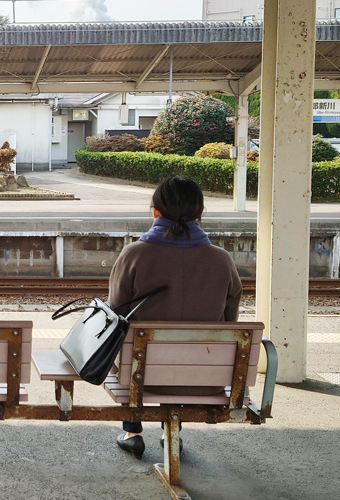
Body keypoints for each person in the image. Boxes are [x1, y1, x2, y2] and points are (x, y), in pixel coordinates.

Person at [108, 176, 242, 459]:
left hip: (142, 378)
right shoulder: (222, 260)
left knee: (129, 352)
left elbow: (115, 316)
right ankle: (173, 430)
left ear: (155, 210)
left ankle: (132, 432)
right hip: (208, 378)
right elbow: (230, 325)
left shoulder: (134, 254)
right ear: (200, 213)